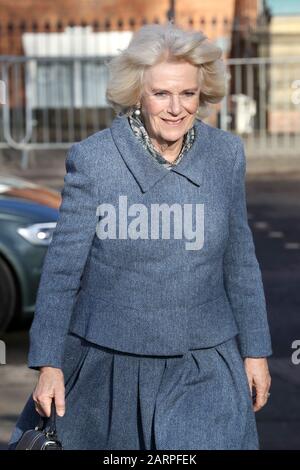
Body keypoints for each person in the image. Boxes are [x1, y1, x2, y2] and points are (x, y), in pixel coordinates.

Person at [9, 22, 272, 450]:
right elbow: (61, 273)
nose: (176, 108)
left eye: (187, 94)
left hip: (204, 364)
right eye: (161, 94)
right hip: (109, 367)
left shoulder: (225, 155)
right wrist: (48, 364)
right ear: (137, 94)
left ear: (202, 95)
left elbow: (240, 261)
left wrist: (256, 351)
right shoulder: (94, 160)